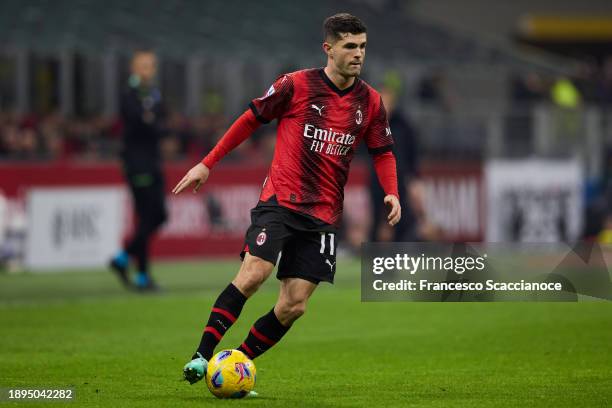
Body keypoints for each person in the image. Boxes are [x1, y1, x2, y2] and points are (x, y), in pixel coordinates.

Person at [173, 13, 401, 390]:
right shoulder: (296, 85)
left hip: (324, 215)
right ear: (328, 49)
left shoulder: (371, 102)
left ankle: (236, 363)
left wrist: (391, 190)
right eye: (349, 46)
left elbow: (382, 151)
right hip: (281, 200)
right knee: (253, 274)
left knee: (294, 304)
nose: (358, 54)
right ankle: (201, 355)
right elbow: (250, 119)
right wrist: (206, 163)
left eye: (362, 46)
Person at [109, 50, 167, 291]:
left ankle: (124, 259)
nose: (148, 70)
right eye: (143, 66)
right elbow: (142, 123)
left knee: (159, 216)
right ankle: (141, 274)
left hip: (153, 162)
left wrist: (151, 120)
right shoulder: (129, 94)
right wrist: (150, 120)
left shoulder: (153, 94)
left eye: (151, 65)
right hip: (137, 163)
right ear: (134, 68)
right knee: (147, 217)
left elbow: (158, 122)